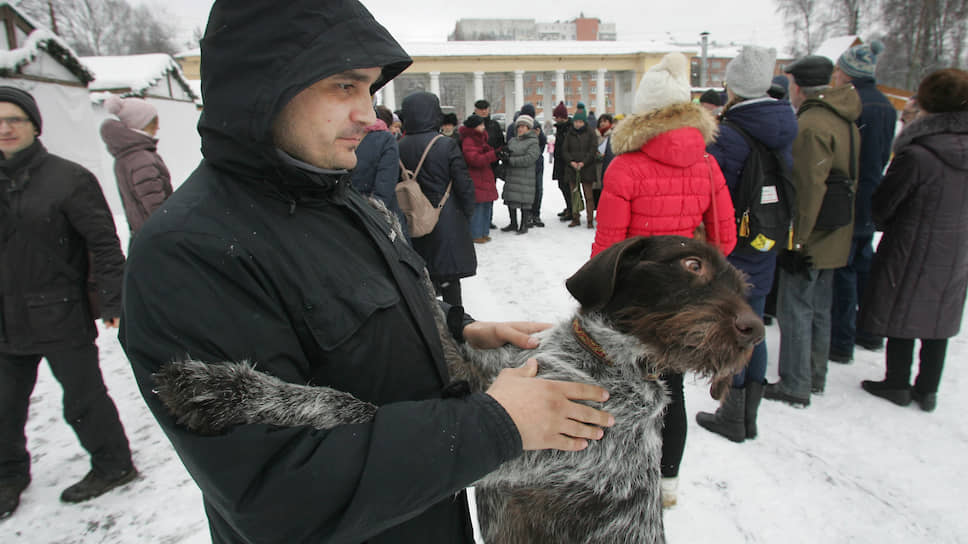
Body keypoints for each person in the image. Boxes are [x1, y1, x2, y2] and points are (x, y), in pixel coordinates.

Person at [119, 3, 614, 542]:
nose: (371, 115)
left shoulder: (338, 198)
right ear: (263, 85)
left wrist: (458, 331)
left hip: (423, 516)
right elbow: (275, 488)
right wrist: (496, 424)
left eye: (370, 90)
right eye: (344, 87)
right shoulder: (189, 252)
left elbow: (367, 310)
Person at [591, 52, 737, 507]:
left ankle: (622, 479)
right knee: (670, 391)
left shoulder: (625, 166)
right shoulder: (707, 165)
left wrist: (598, 299)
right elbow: (725, 239)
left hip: (635, 302)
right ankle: (667, 483)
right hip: (687, 301)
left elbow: (608, 249)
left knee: (622, 388)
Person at [0, 86, 136, 519]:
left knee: (83, 398)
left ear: (34, 125)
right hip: (3, 318)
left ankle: (113, 465)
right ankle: (8, 476)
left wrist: (114, 299)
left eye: (14, 120)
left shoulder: (67, 178)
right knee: (3, 403)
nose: (4, 129)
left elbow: (104, 242)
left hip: (59, 310)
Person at [698, 46, 798, 442]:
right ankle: (747, 415)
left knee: (734, 327)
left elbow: (712, 192)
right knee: (754, 323)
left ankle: (732, 414)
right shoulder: (784, 124)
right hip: (767, 236)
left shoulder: (729, 135)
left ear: (733, 87)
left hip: (734, 242)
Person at [858, 68, 968, 412]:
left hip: (910, 243)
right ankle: (927, 389)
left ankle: (896, 382)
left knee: (902, 306)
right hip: (958, 246)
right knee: (939, 311)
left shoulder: (918, 153)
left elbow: (885, 204)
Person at [764, 55, 861, 407]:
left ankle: (795, 383)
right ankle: (815, 376)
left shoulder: (811, 124)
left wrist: (796, 241)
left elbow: (808, 187)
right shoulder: (843, 118)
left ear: (798, 85)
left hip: (811, 233)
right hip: (836, 231)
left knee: (796, 309)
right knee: (820, 308)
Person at [829, 41, 897, 363]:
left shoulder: (852, 103)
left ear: (849, 73)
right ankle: (869, 331)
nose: (836, 75)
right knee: (863, 264)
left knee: (844, 269)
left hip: (849, 195)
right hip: (872, 193)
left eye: (839, 70)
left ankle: (841, 341)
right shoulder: (885, 104)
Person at [399, 91, 477, 306]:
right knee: (449, 279)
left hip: (413, 219)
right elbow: (463, 183)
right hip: (446, 219)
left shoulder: (399, 145)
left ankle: (431, 326)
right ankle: (456, 326)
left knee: (423, 279)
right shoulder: (445, 144)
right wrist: (467, 212)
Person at [99, 94, 173, 238]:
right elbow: (156, 207)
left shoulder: (127, 156)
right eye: (153, 122)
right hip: (158, 237)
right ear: (141, 124)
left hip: (142, 234)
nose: (158, 127)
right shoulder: (141, 159)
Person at [350, 106, 406, 230]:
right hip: (379, 215)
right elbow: (385, 184)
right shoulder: (385, 139)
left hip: (348, 211)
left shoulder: (343, 136)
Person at [498, 114, 541, 235]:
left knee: (524, 201)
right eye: (519, 126)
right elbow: (508, 151)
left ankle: (524, 224)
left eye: (523, 126)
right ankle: (513, 223)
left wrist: (511, 160)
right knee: (510, 198)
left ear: (529, 128)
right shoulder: (513, 140)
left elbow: (530, 158)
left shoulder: (533, 142)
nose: (520, 129)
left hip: (525, 177)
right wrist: (504, 155)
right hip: (512, 176)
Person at [459, 114, 498, 243]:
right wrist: (493, 155)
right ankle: (476, 234)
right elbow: (474, 159)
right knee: (478, 208)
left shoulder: (480, 139)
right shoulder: (469, 140)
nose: (483, 127)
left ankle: (483, 232)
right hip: (476, 177)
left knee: (486, 206)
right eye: (480, 125)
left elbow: (486, 154)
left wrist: (497, 153)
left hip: (484, 176)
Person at [561, 108, 599, 228]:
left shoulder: (591, 133)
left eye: (580, 122)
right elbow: (565, 150)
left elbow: (593, 150)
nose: (577, 124)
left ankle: (589, 219)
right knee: (574, 195)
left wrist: (583, 162)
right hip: (572, 169)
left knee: (589, 196)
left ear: (584, 122)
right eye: (576, 122)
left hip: (587, 169)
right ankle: (575, 218)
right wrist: (571, 161)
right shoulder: (569, 133)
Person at [551, 101, 574, 221]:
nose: (555, 119)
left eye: (556, 117)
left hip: (567, 163)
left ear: (562, 117)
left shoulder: (569, 128)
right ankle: (569, 207)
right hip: (560, 162)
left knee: (567, 187)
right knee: (562, 185)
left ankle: (572, 210)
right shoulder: (561, 128)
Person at [474, 99, 505, 181]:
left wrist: (497, 156)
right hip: (474, 167)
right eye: (481, 109)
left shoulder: (494, 125)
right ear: (476, 110)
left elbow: (500, 143)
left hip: (492, 166)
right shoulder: (470, 126)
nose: (484, 111)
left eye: (486, 109)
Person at [594, 113, 616, 208]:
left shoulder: (614, 135)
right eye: (601, 121)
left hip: (609, 166)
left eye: (605, 121)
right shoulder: (595, 135)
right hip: (596, 167)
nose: (602, 123)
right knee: (596, 191)